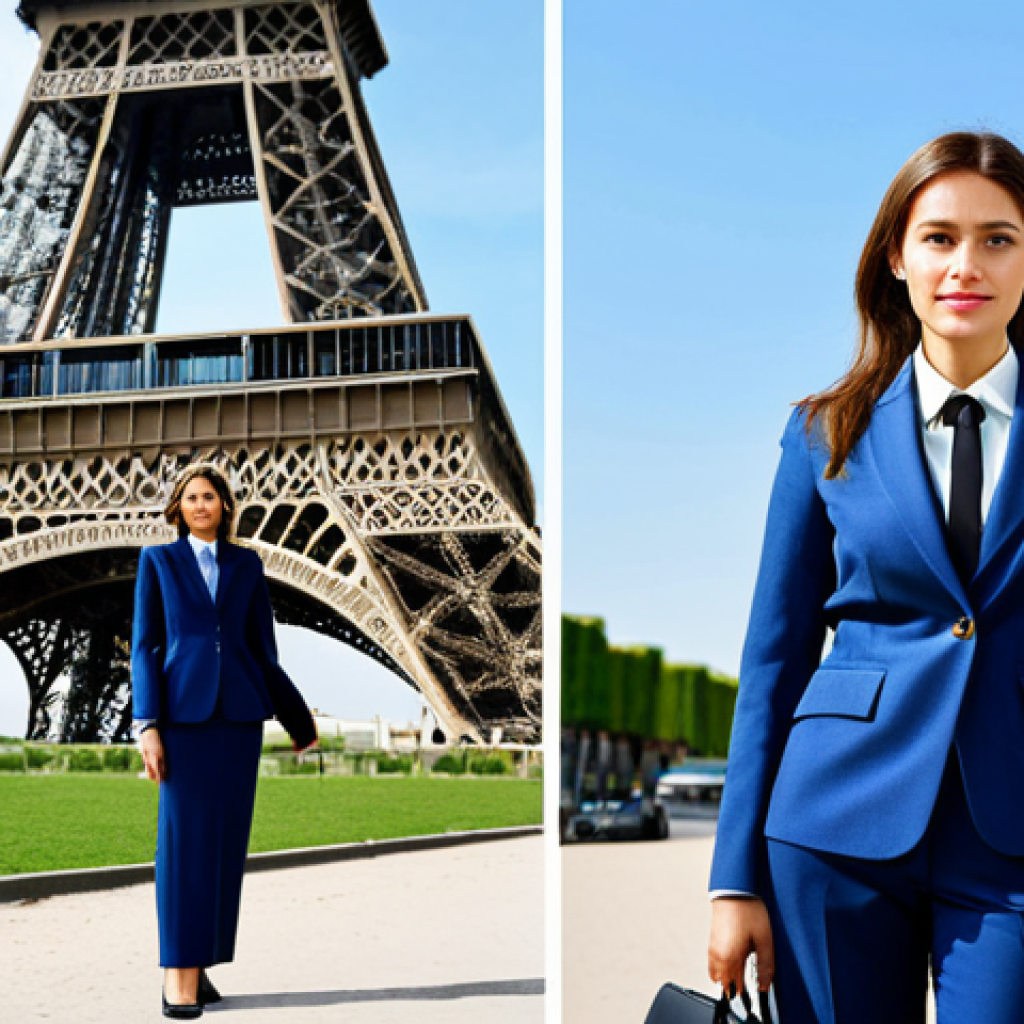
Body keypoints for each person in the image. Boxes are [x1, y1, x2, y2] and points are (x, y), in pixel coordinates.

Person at [707, 131, 1024, 1024]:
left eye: (998, 237)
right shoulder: (823, 434)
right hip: (833, 826)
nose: (968, 263)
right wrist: (734, 880)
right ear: (896, 256)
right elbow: (772, 658)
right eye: (940, 237)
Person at [132, 465, 316, 1019]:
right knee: (183, 849)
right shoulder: (158, 562)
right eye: (190, 497)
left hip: (237, 722)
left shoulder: (247, 564)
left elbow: (263, 650)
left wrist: (298, 721)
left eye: (208, 496)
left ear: (224, 504)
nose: (200, 504)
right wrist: (148, 724)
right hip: (183, 722)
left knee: (222, 850)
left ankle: (201, 962)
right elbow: (144, 648)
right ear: (178, 506)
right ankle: (177, 975)